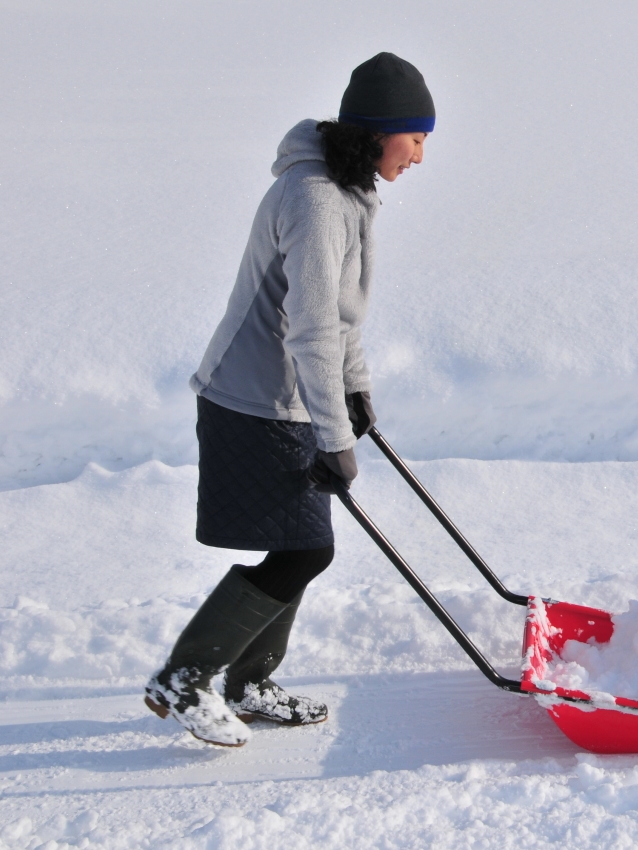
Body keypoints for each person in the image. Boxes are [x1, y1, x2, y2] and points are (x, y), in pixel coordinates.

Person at [144, 53, 434, 747]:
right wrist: (336, 437)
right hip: (253, 400)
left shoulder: (345, 194)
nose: (421, 157)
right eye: (416, 138)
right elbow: (306, 329)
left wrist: (355, 386)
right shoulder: (315, 201)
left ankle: (248, 683)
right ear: (380, 132)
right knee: (304, 550)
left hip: (286, 396)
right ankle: (185, 677)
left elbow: (340, 319)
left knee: (302, 544)